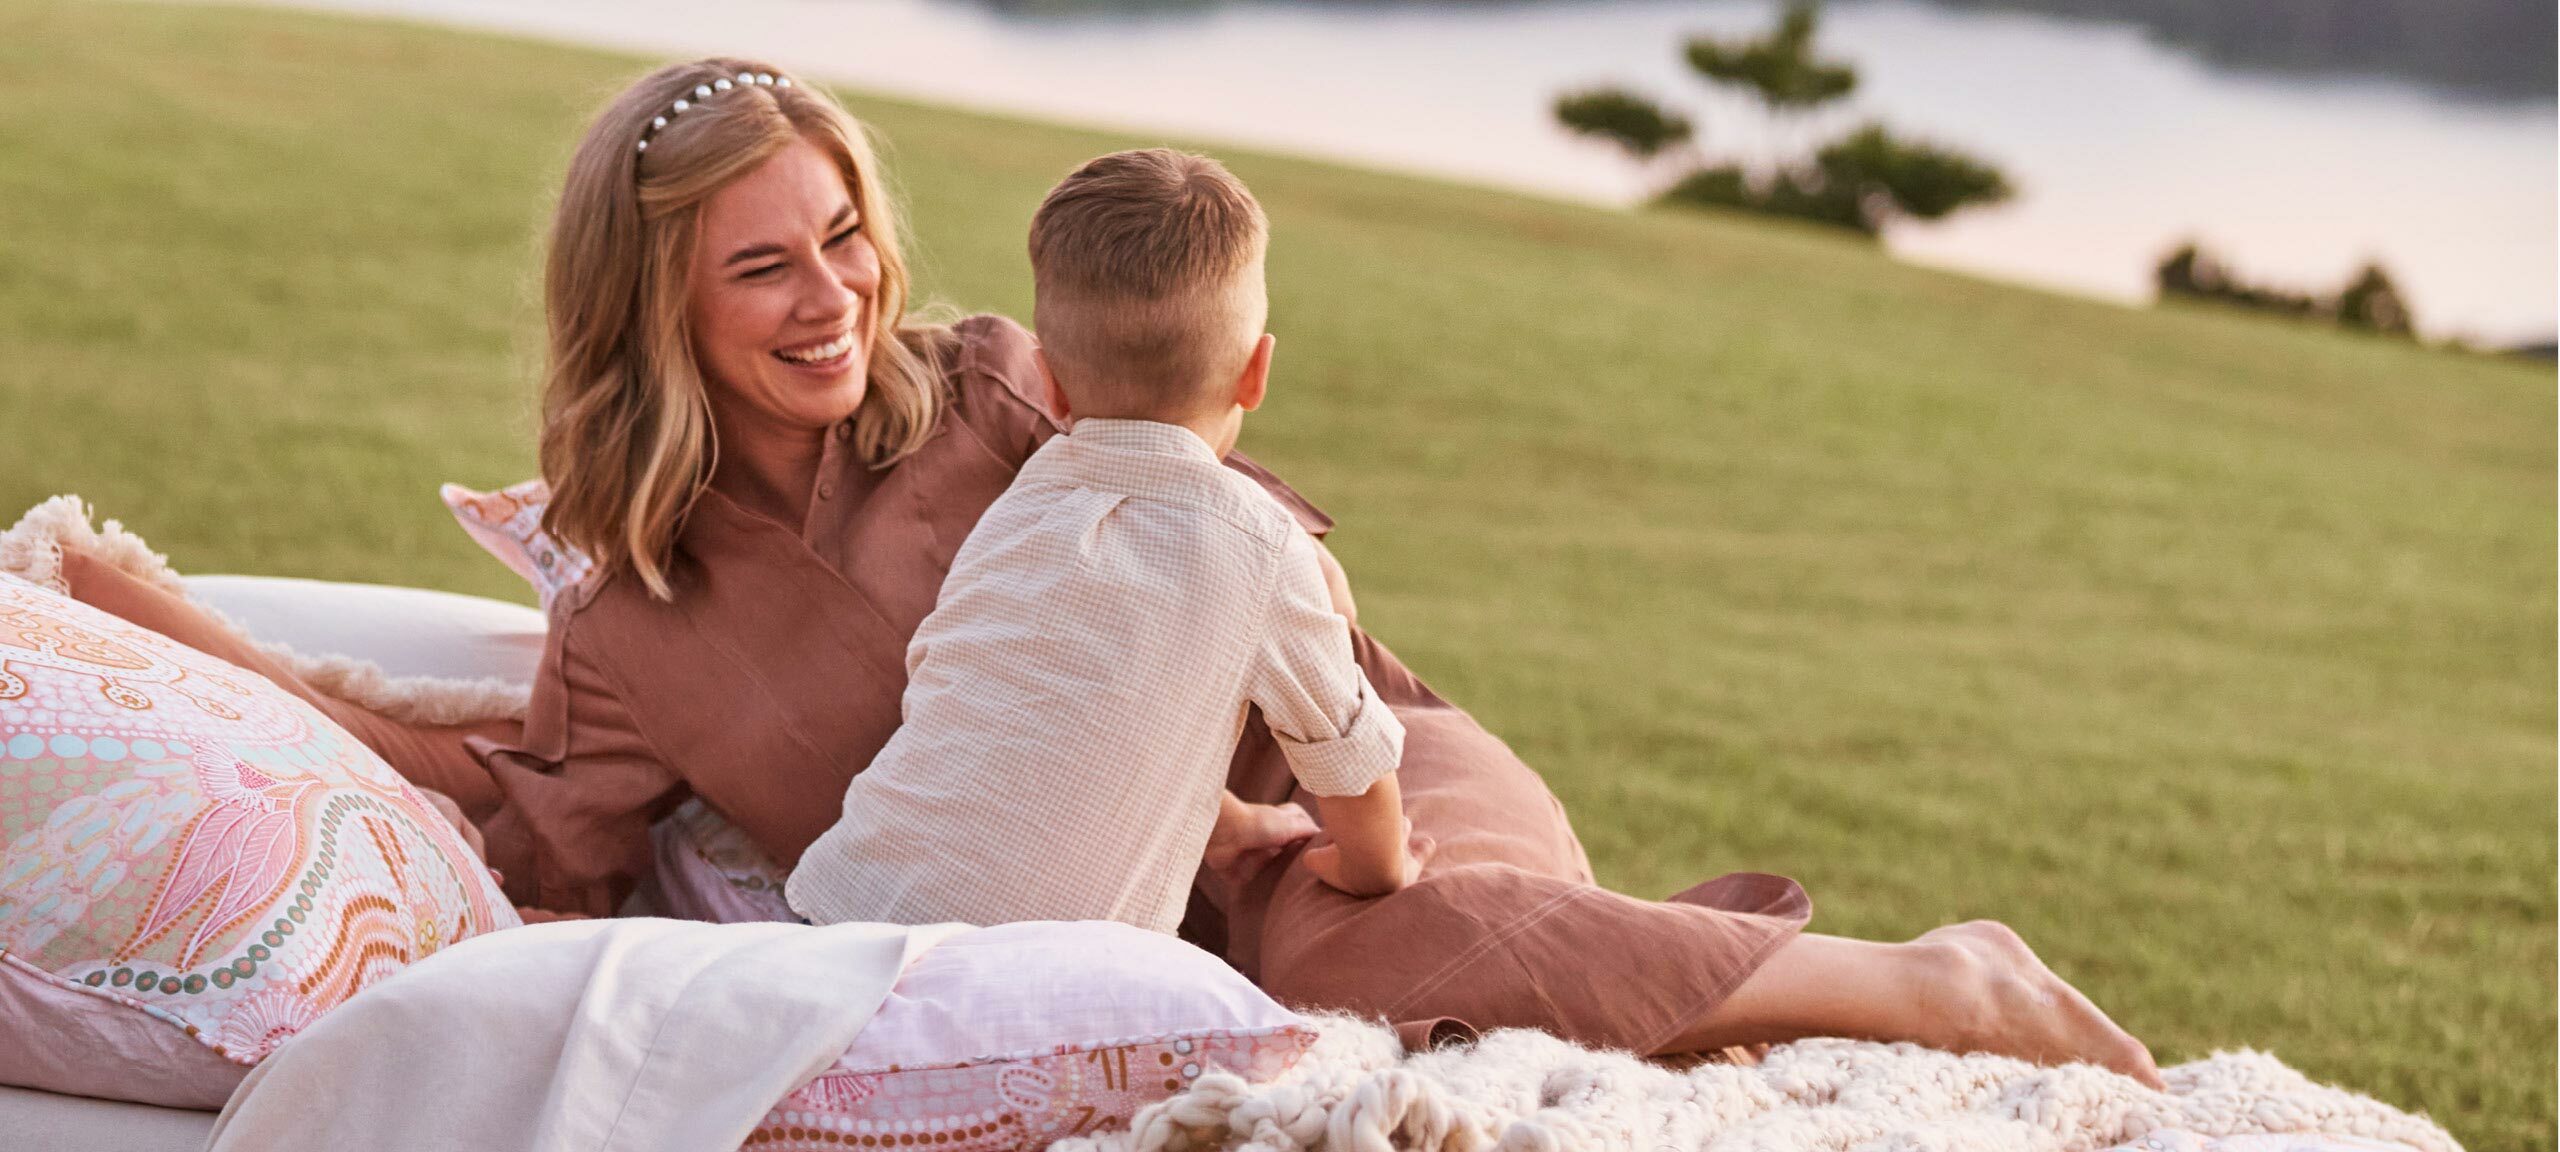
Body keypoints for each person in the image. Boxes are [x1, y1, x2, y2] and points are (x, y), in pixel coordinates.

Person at [52, 56, 2161, 1085]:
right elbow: (522, 803)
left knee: (1342, 938)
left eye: (845, 234)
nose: (830, 297)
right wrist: (183, 634)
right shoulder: (630, 620)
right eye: (761, 268)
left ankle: (1932, 986)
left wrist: (1379, 818)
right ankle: (1837, 976)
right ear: (653, 308)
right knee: (1278, 974)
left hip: (1339, 800)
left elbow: (1285, 615)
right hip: (1085, 909)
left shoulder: (993, 386)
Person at [788, 149, 1419, 933]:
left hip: (841, 911)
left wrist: (1235, 824)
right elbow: (1350, 765)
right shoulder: (1261, 546)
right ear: (1256, 373)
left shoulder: (1023, 507)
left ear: (1048, 383)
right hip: (1030, 978)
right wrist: (1369, 869)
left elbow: (1044, 722)